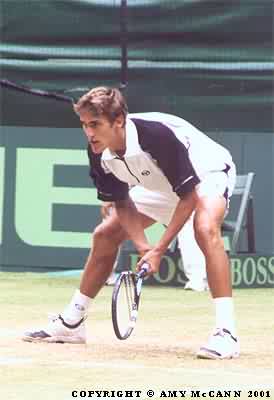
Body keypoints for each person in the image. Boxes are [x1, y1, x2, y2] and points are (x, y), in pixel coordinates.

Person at [22, 86, 239, 359]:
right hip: (161, 185)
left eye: (95, 125)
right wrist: (142, 246)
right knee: (105, 234)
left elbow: (188, 197)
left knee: (205, 228)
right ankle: (72, 323)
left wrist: (159, 249)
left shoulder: (155, 135)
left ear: (119, 121)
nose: (89, 133)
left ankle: (226, 332)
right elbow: (123, 202)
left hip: (206, 174)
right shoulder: (98, 151)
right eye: (84, 125)